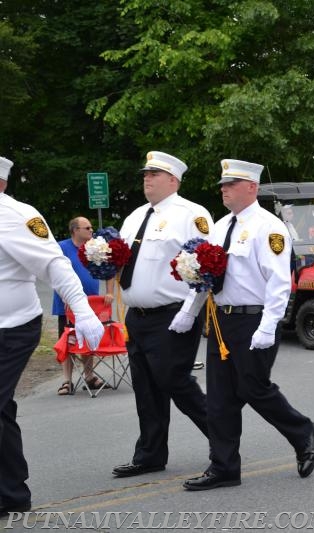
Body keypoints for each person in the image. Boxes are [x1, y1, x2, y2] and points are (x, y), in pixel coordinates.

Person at [172, 159, 314, 490]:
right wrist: (189, 310)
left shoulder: (270, 227)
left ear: (251, 187)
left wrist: (269, 326)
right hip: (221, 321)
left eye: (231, 184)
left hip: (254, 318)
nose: (224, 189)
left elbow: (279, 282)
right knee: (221, 397)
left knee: (253, 388)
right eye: (223, 185)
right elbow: (206, 277)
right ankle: (223, 467)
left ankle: (302, 431)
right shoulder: (220, 226)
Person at [0, 156, 103, 517]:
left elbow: (53, 263)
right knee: (2, 408)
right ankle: (10, 492)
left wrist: (84, 310)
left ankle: (12, 492)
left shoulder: (15, 216)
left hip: (12, 327)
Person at [111, 151, 212, 479]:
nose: (147, 178)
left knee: (175, 381)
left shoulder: (191, 214)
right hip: (137, 315)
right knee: (146, 388)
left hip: (173, 315)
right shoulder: (134, 217)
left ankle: (223, 440)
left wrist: (190, 312)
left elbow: (205, 266)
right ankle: (150, 454)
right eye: (145, 173)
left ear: (174, 180)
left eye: (154, 174)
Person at [53, 216, 114, 395]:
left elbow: (110, 269)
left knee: (89, 337)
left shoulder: (94, 247)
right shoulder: (61, 247)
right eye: (87, 228)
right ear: (75, 230)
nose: (91, 231)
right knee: (69, 340)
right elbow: (53, 271)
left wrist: (109, 292)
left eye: (91, 227)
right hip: (67, 304)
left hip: (91, 302)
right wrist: (64, 295)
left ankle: (89, 376)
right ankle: (67, 381)